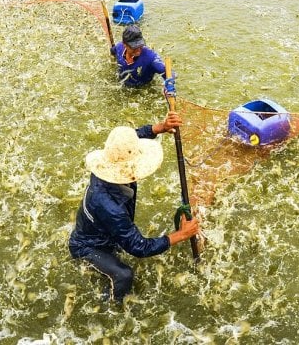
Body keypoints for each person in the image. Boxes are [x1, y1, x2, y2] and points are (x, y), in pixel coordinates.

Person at [68, 111, 200, 303]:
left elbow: (131, 139)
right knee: (124, 274)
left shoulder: (109, 162)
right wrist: (181, 234)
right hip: (87, 247)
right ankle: (114, 307)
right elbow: (139, 247)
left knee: (121, 244)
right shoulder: (110, 206)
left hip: (106, 233)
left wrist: (158, 128)